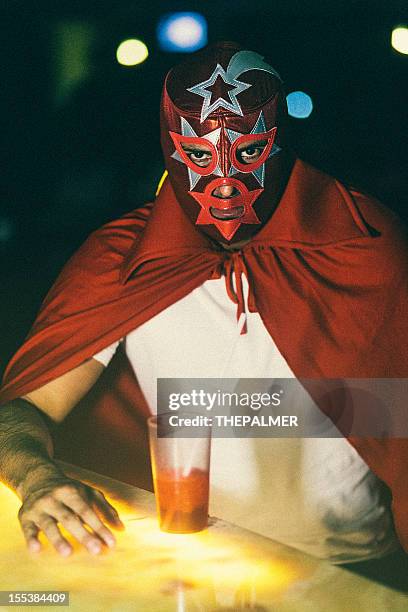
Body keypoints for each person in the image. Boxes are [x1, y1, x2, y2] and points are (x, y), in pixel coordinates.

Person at [0, 42, 407, 566]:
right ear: (171, 149)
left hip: (355, 569)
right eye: (198, 155)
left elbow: (396, 411)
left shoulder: (360, 242)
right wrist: (38, 479)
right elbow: (24, 409)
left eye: (247, 152)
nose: (224, 182)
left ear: (281, 143)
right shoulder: (126, 258)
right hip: (188, 559)